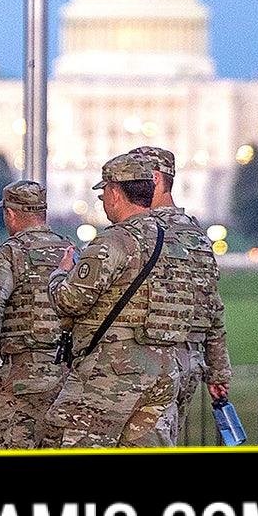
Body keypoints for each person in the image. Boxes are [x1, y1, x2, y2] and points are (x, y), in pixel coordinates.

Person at [43, 154, 180, 448]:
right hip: (164, 370)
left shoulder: (114, 241)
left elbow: (69, 300)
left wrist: (59, 275)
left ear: (115, 192)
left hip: (111, 372)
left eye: (103, 192)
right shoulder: (173, 240)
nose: (103, 199)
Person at [126, 146, 232, 445]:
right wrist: (218, 372)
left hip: (148, 357)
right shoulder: (196, 234)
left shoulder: (143, 232)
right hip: (189, 360)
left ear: (156, 179)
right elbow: (213, 309)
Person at [0, 180, 75, 449]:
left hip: (23, 375)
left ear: (10, 214)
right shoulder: (74, 253)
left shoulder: (7, 256)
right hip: (68, 375)